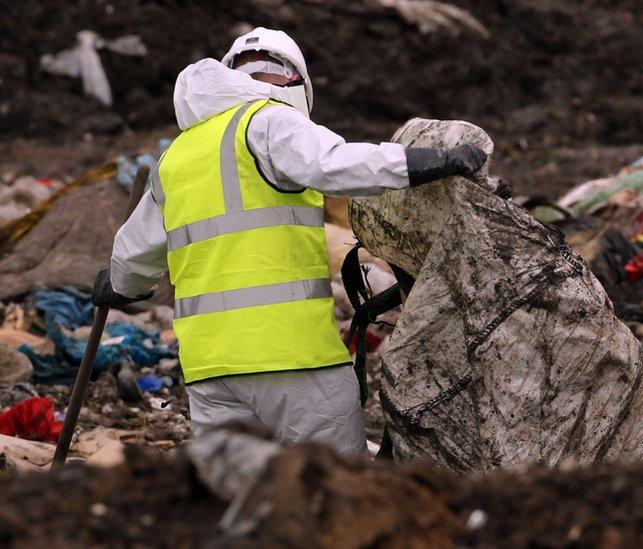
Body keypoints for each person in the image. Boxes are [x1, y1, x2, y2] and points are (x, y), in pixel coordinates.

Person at [92, 27, 487, 455]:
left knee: (242, 497)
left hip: (209, 372)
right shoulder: (267, 121)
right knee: (331, 495)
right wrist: (428, 162)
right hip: (293, 362)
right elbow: (333, 164)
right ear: (293, 81)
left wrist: (118, 285)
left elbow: (130, 259)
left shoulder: (175, 157)